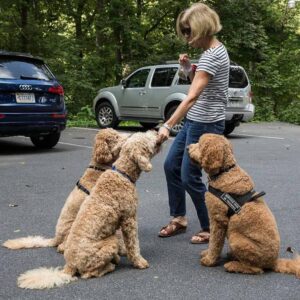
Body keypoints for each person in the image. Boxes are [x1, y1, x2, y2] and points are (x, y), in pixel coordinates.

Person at [158, 2, 230, 244]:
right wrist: (189, 68)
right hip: (195, 120)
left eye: (189, 31)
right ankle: (179, 218)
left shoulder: (212, 56)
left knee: (190, 176)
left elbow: (192, 96)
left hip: (206, 124)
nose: (187, 38)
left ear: (202, 28)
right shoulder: (210, 52)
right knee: (170, 166)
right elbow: (198, 83)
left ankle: (211, 227)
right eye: (185, 32)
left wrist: (167, 125)